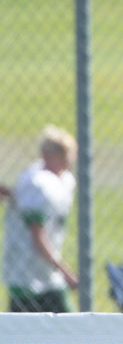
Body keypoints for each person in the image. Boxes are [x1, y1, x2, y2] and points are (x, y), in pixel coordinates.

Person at [3, 125, 79, 312]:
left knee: (71, 327)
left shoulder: (64, 180)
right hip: (27, 271)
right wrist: (65, 272)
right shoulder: (37, 184)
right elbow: (37, 237)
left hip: (47, 272)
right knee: (14, 329)